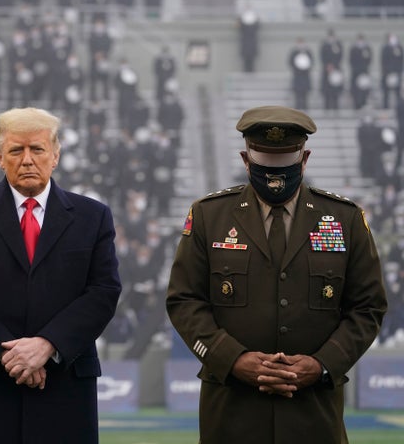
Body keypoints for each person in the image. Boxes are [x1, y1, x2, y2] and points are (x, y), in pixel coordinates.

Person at [166, 105, 388, 444]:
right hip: (231, 409)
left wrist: (323, 364)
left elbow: (368, 307)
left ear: (305, 158)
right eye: (265, 162)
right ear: (245, 159)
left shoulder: (344, 219)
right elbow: (184, 301)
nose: (275, 174)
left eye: (284, 161)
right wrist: (233, 359)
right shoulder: (209, 216)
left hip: (314, 412)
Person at [0, 107, 122, 443]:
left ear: (56, 155)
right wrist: (9, 355)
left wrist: (48, 345)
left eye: (38, 149)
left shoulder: (93, 217)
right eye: (17, 150)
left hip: (63, 387)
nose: (28, 160)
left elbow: (103, 292)